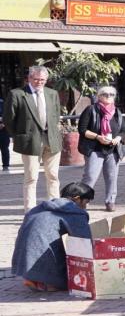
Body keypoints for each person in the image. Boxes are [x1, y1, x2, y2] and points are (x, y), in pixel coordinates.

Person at [12, 182, 94, 292]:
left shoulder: (40, 208)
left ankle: (34, 278)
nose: (85, 207)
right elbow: (84, 241)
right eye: (86, 202)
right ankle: (47, 282)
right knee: (74, 281)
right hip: (42, 261)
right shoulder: (75, 212)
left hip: (23, 263)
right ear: (77, 198)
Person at [3, 66, 62, 211]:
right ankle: (29, 210)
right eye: (35, 79)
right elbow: (9, 119)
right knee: (31, 177)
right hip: (30, 142)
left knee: (53, 176)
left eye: (42, 80)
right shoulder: (17, 94)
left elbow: (56, 115)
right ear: (29, 78)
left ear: (46, 80)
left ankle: (55, 206)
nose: (39, 82)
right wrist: (20, 136)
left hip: (52, 140)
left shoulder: (52, 93)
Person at [78, 85, 125, 212]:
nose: (108, 97)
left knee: (111, 177)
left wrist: (118, 139)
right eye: (105, 94)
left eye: (111, 94)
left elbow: (123, 131)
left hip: (112, 150)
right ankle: (83, 200)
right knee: (90, 176)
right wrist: (98, 137)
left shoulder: (117, 112)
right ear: (99, 96)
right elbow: (82, 130)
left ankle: (110, 202)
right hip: (95, 149)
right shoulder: (91, 109)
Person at [0, 94, 10, 171]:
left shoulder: (4, 103)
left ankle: (6, 165)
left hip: (3, 130)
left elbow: (9, 114)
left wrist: (4, 123)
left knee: (4, 148)